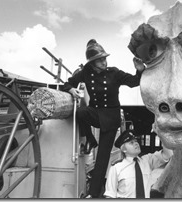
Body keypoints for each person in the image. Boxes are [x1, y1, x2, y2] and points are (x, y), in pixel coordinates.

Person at [63, 39, 145, 198]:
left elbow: (134, 82)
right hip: (95, 112)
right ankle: (90, 139)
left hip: (111, 116)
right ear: (92, 63)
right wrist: (72, 89)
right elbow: (68, 83)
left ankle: (93, 195)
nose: (104, 62)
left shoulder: (114, 73)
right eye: (100, 60)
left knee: (102, 158)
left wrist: (140, 70)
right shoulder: (86, 72)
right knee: (81, 113)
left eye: (104, 58)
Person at [104, 129, 172, 198]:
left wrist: (161, 134)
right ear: (124, 149)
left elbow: (168, 154)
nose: (136, 143)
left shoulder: (147, 160)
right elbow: (110, 195)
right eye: (131, 143)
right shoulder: (116, 168)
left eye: (136, 141)